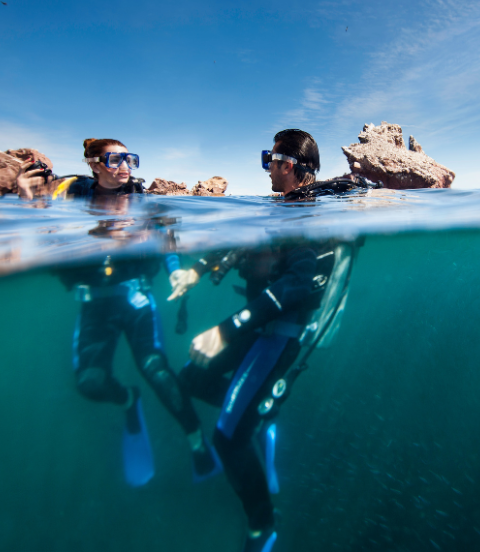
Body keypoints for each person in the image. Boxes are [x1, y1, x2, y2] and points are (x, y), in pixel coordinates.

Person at [170, 129, 360, 552]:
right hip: (258, 327)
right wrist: (197, 270)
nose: (267, 168)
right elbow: (241, 244)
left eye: (269, 160)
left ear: (289, 165)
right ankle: (255, 416)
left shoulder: (310, 220)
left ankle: (263, 526)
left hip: (279, 335)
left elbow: (294, 287)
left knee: (226, 439)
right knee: (192, 378)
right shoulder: (279, 208)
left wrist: (224, 330)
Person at [40, 139, 217, 484]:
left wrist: (174, 271)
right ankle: (127, 400)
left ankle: (197, 442)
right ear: (93, 164)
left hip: (135, 299)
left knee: (157, 370)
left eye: (130, 159)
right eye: (114, 159)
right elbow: (43, 224)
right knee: (89, 383)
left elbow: (165, 240)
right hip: (93, 302)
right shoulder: (73, 198)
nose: (125, 167)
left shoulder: (143, 203)